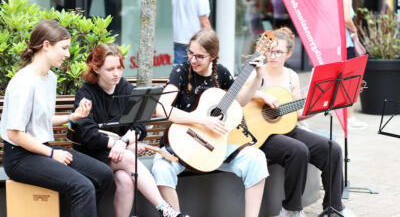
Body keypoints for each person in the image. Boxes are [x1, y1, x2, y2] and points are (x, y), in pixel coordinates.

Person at [0, 20, 114, 217]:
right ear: (46, 46)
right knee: (82, 187)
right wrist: (52, 154)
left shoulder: (50, 78)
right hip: (20, 157)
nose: (68, 54)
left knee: (103, 174)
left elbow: (41, 119)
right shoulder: (23, 82)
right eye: (64, 48)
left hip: (41, 150)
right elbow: (15, 134)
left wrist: (73, 116)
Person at [151, 28, 268, 217]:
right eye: (190, 53)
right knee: (161, 168)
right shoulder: (181, 71)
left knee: (256, 159)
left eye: (199, 56)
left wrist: (258, 77)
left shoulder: (221, 73)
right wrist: (203, 120)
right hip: (182, 144)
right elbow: (162, 108)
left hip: (214, 148)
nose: (193, 59)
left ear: (213, 56)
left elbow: (240, 101)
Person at [71, 43, 188, 217]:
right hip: (91, 154)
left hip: (118, 152)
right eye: (110, 69)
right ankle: (165, 209)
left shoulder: (126, 88)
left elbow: (139, 126)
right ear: (96, 68)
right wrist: (118, 144)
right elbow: (88, 135)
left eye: (119, 67)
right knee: (128, 157)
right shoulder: (86, 93)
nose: (116, 73)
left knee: (126, 180)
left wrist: (124, 141)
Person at [251, 27, 356, 217]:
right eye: (270, 50)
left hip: (287, 128)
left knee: (332, 149)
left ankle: (334, 207)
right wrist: (261, 95)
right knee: (298, 150)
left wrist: (316, 107)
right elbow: (240, 95)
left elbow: (296, 113)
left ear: (289, 54)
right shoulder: (257, 71)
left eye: (278, 52)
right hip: (261, 134)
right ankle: (291, 209)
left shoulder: (291, 76)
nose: (272, 55)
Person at [338, 0, 368, 130]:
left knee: (324, 79)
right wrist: (354, 29)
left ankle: (302, 117)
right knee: (349, 79)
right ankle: (349, 118)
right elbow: (345, 17)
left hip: (328, 41)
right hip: (344, 42)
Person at [172, 0, 211, 65]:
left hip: (179, 40)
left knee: (178, 72)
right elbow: (204, 21)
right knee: (196, 73)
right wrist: (211, 39)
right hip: (195, 41)